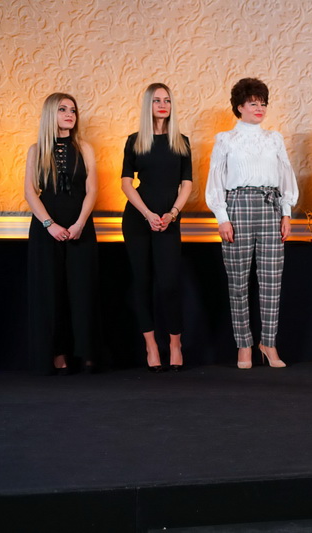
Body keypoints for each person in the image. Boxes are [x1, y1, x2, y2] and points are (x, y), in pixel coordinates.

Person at [206, 78, 299, 369]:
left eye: (263, 104)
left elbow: (285, 176)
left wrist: (286, 212)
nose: (259, 108)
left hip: (270, 206)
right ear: (240, 107)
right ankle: (244, 345)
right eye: (253, 103)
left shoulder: (274, 139)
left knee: (272, 279)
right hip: (238, 206)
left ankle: (268, 343)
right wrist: (222, 218)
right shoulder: (226, 140)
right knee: (238, 281)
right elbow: (216, 180)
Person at [24, 93, 99, 375]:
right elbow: (30, 192)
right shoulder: (36, 150)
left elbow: (92, 189)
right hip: (47, 228)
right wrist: (49, 224)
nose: (70, 114)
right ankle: (56, 355)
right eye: (63, 109)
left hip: (81, 225)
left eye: (73, 110)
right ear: (50, 114)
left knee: (82, 291)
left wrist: (80, 223)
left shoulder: (85, 148)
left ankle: (85, 353)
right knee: (49, 292)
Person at [121, 83, 193, 372]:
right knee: (142, 282)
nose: (163, 105)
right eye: (156, 100)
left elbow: (187, 183)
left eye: (167, 100)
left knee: (169, 283)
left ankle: (175, 344)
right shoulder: (135, 140)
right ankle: (151, 346)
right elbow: (126, 183)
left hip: (169, 219)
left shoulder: (182, 142)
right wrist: (148, 214)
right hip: (138, 219)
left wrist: (172, 213)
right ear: (148, 106)